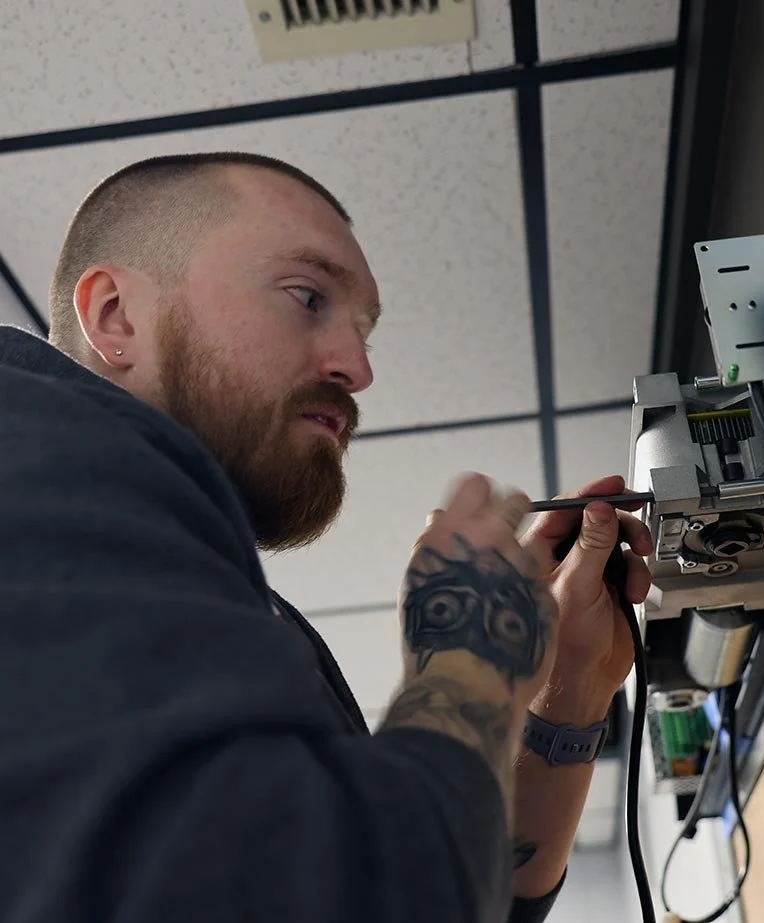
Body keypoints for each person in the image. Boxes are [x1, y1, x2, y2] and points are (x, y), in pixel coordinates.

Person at [0, 152, 653, 923]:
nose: (357, 366)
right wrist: (470, 661)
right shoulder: (26, 445)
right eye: (306, 296)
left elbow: (462, 898)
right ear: (114, 315)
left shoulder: (249, 618)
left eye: (363, 328)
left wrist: (565, 691)